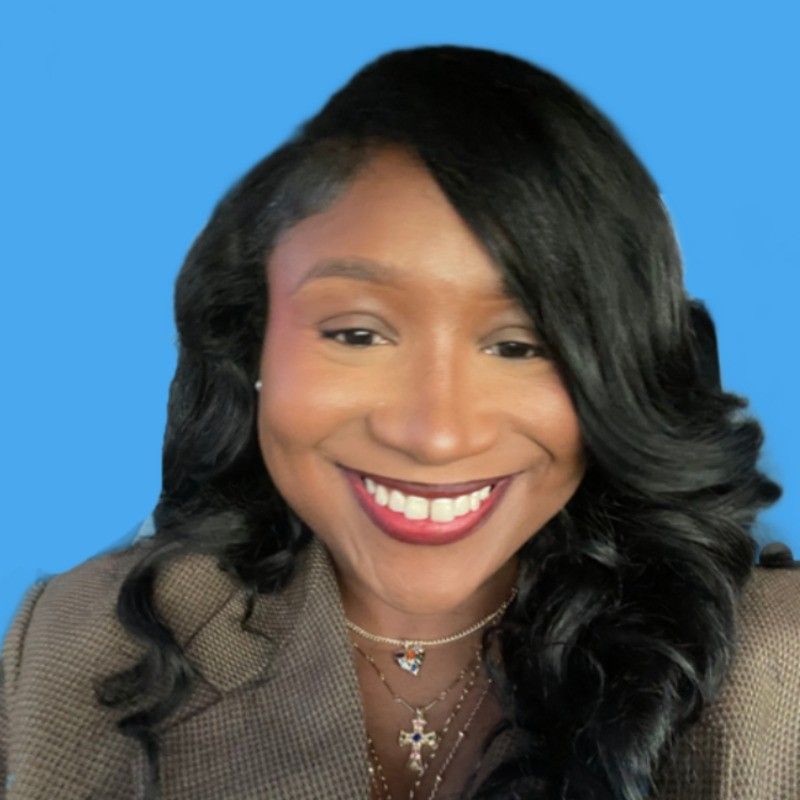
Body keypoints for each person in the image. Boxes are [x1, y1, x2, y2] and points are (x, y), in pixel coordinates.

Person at [1, 44, 798, 800]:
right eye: (357, 334)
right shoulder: (73, 646)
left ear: (620, 379)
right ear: (251, 340)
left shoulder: (779, 673)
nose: (435, 434)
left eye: (520, 346)